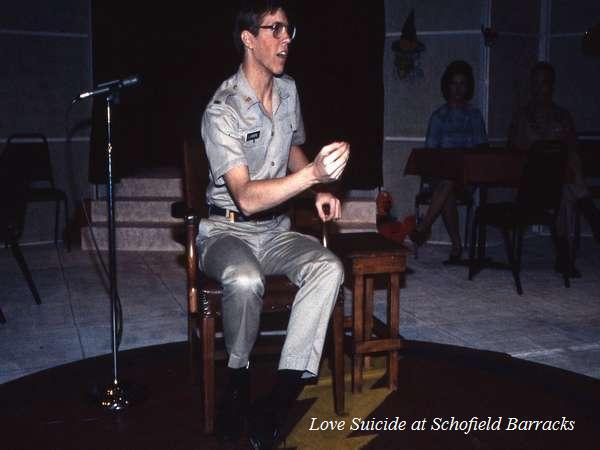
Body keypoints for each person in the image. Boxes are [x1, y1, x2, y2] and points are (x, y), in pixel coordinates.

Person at [199, 1, 350, 448]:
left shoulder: (289, 91)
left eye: (290, 30)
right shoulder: (221, 110)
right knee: (244, 280)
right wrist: (314, 177)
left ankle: (280, 397)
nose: (287, 39)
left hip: (276, 231)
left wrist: (319, 189)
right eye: (275, 29)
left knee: (330, 268)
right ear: (249, 38)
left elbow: (292, 150)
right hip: (226, 231)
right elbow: (244, 198)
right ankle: (238, 379)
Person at [508, 61, 600, 276]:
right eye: (535, 83)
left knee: (566, 190)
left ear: (552, 86)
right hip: (530, 183)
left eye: (545, 83)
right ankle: (589, 212)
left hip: (558, 183)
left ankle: (564, 257)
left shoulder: (563, 115)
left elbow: (572, 146)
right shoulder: (522, 116)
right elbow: (512, 150)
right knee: (565, 185)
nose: (540, 88)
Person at [409, 60, 487, 262]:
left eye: (462, 83)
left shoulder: (475, 116)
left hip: (468, 178)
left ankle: (424, 227)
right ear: (447, 86)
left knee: (449, 182)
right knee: (446, 183)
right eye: (454, 83)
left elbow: (482, 151)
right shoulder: (438, 117)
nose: (458, 88)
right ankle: (456, 245)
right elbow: (430, 155)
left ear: (468, 86)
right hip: (440, 178)